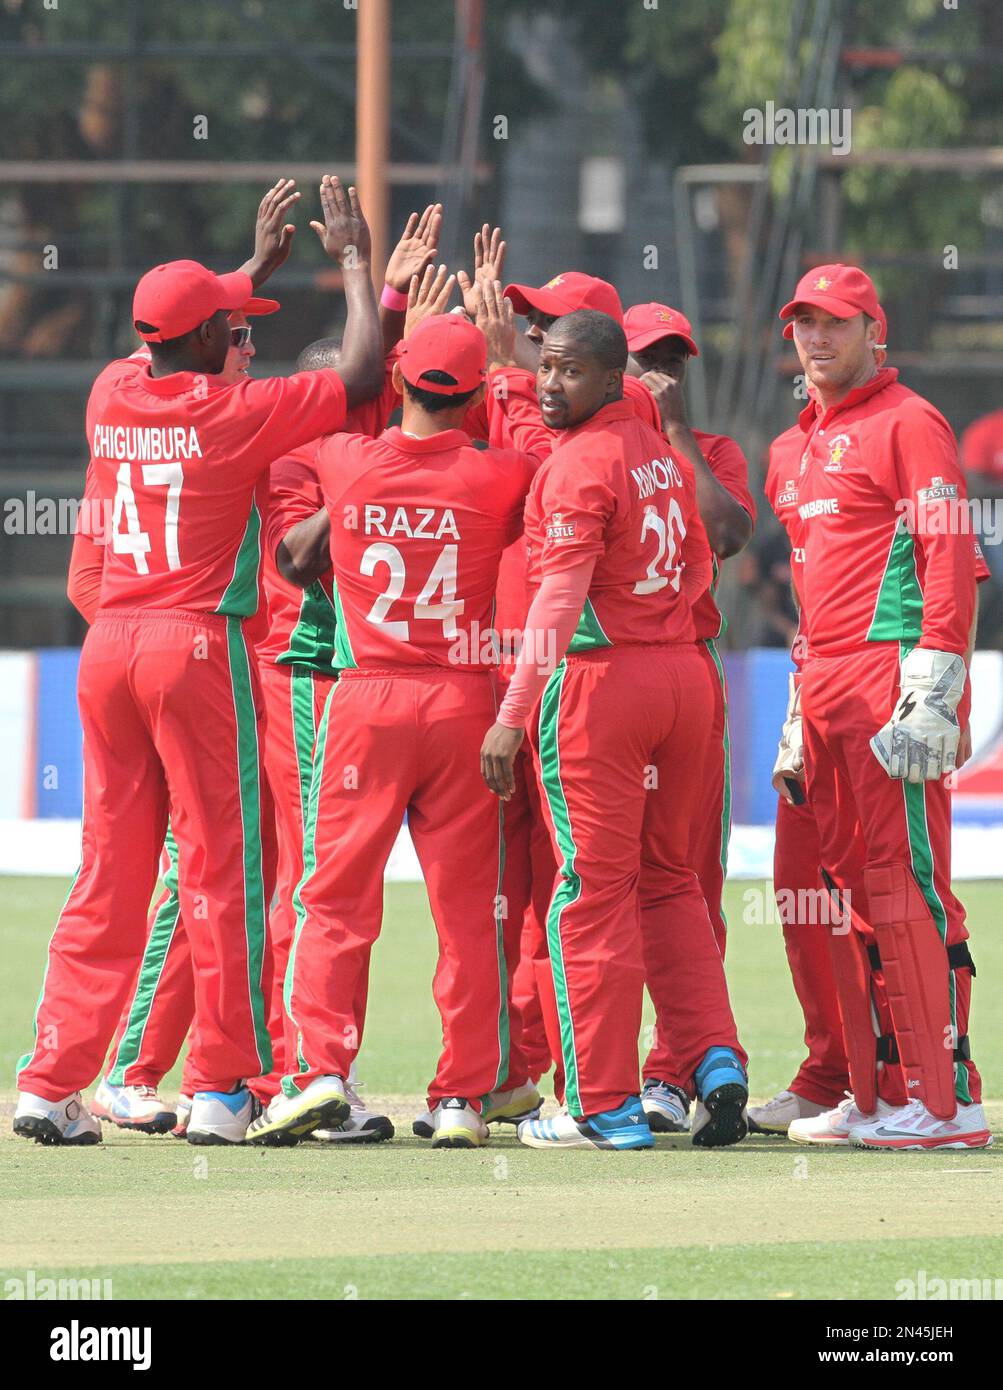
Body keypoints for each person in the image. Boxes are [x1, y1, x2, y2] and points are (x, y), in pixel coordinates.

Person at [13, 176, 384, 1148]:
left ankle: (49, 1081)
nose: (242, 334)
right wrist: (353, 260)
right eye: (235, 324)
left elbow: (164, 337)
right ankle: (223, 1086)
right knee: (226, 869)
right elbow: (356, 374)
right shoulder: (235, 416)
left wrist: (245, 273)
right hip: (192, 644)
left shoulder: (112, 390)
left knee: (111, 866)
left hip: (107, 647)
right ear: (212, 341)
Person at [246, 284, 551, 1149]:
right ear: (471, 393)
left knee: (334, 898)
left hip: (365, 699)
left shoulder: (346, 462)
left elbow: (350, 392)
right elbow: (539, 455)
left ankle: (318, 1072)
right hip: (464, 699)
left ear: (404, 380)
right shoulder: (501, 472)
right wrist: (505, 370)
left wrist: (384, 305)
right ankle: (462, 1095)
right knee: (472, 912)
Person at [480, 307, 747, 1151]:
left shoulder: (578, 465)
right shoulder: (662, 455)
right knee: (668, 882)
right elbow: (704, 559)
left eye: (565, 371)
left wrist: (510, 718)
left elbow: (556, 604)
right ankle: (712, 1058)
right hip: (683, 678)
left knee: (589, 892)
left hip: (607, 682)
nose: (546, 383)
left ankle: (601, 1104)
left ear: (608, 379)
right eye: (542, 367)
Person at [768, 263, 989, 1150]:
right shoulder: (791, 446)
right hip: (822, 679)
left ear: (873, 330)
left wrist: (935, 685)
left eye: (834, 323)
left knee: (907, 887)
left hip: (889, 673)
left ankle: (945, 1104)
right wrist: (796, 701)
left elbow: (947, 555)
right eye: (802, 325)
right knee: (844, 894)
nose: (816, 340)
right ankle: (875, 1091)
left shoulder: (910, 422)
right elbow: (808, 588)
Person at [622, 301, 755, 1135]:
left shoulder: (711, 451)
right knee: (595, 885)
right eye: (645, 358)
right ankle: (569, 1074)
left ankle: (673, 1072)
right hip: (598, 676)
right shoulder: (586, 446)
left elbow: (731, 532)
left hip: (688, 674)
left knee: (688, 883)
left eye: (675, 357)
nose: (662, 371)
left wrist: (671, 434)